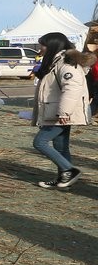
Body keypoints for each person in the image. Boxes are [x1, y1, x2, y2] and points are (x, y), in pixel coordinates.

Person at [31, 32, 94, 189]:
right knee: (60, 146)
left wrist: (64, 112)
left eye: (43, 45)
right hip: (58, 111)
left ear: (52, 45)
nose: (40, 48)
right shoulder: (57, 61)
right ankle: (64, 178)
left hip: (61, 113)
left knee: (40, 142)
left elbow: (72, 88)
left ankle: (69, 170)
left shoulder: (65, 63)